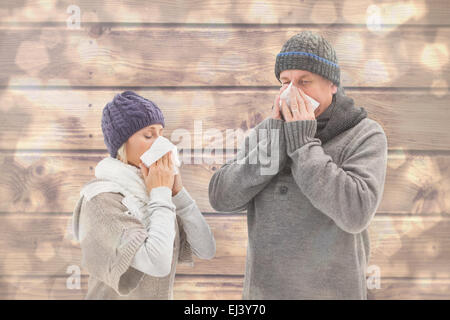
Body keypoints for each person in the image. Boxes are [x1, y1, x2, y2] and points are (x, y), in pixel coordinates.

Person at [208, 31, 388, 299]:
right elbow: (221, 197)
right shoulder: (267, 133)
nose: (292, 92)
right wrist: (274, 144)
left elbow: (356, 213)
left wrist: (303, 145)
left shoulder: (364, 134)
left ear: (332, 84)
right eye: (285, 82)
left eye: (304, 81)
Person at [71, 91, 216, 299]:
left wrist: (178, 195)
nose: (162, 145)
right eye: (149, 136)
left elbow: (206, 249)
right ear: (122, 144)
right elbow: (157, 263)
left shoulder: (156, 192)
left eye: (161, 134)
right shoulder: (100, 200)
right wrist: (160, 193)